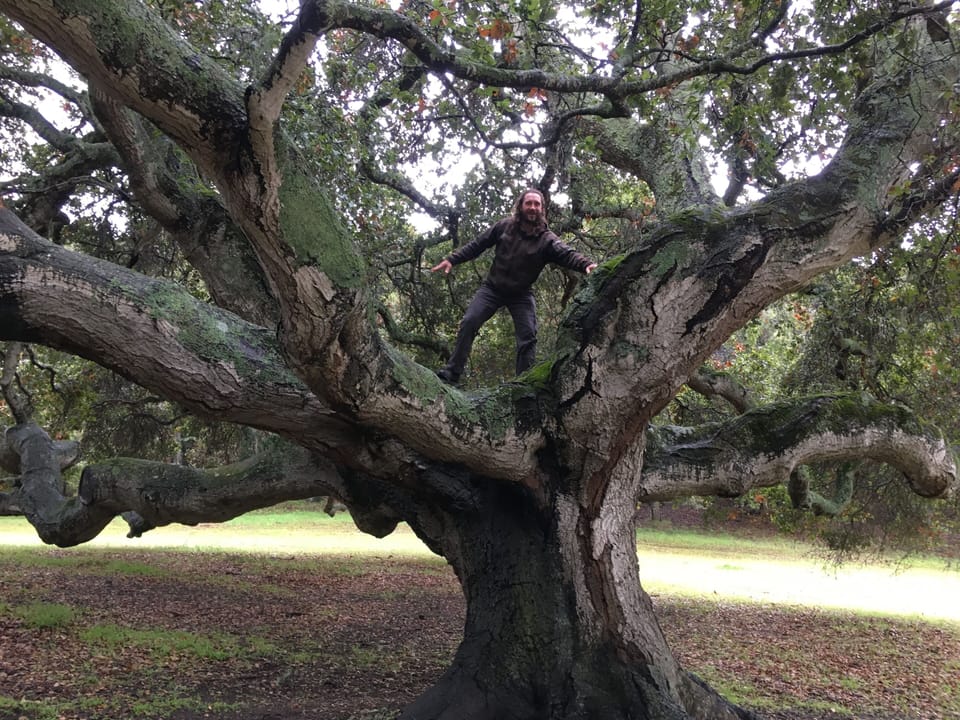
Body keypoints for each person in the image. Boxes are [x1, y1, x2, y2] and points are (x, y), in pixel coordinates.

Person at [431, 188, 597, 384]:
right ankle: (451, 373)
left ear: (542, 209)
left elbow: (567, 253)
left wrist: (586, 264)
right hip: (492, 289)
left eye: (537, 204)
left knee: (528, 336)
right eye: (529, 203)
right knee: (469, 321)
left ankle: (523, 384)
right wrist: (453, 259)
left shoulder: (546, 239)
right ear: (521, 206)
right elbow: (478, 244)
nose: (533, 208)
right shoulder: (504, 226)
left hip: (521, 295)